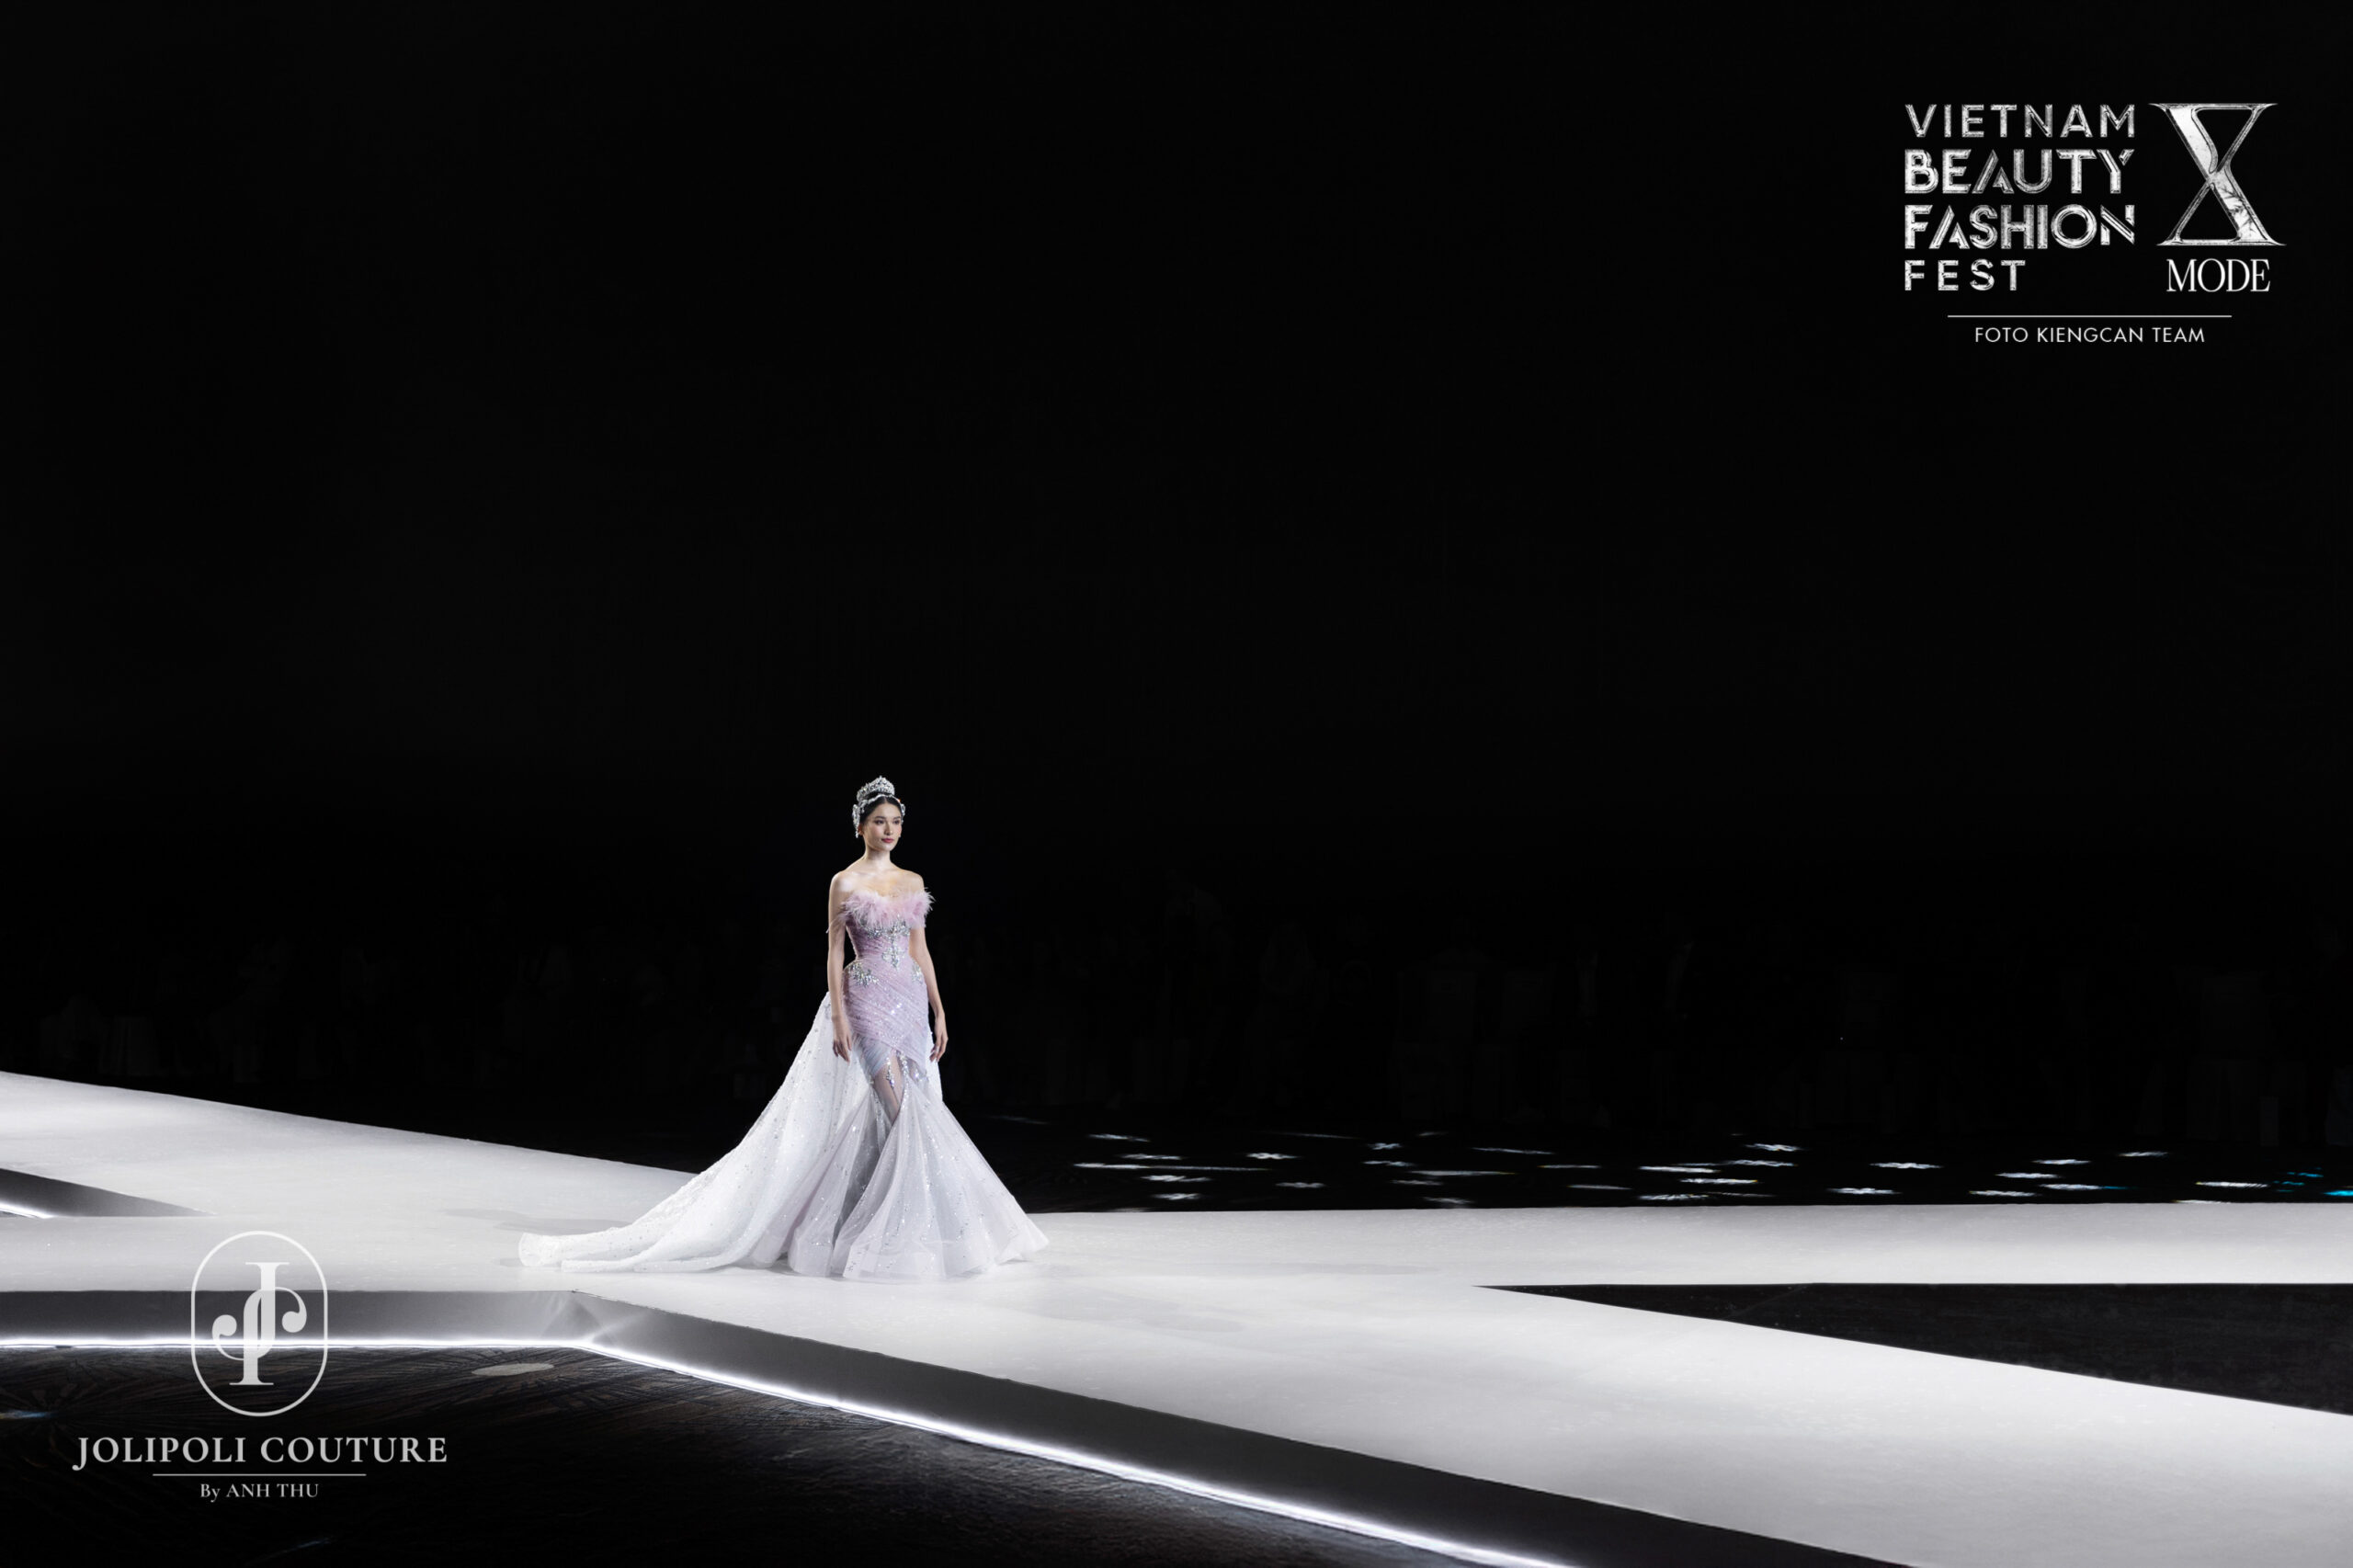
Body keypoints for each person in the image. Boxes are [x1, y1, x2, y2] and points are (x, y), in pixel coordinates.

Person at [517, 777, 1048, 1280]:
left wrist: (940, 1009)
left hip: (908, 1000)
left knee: (908, 1109)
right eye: (879, 821)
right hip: (865, 999)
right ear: (860, 826)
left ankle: (887, 1224)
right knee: (900, 1110)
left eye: (895, 822)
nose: (889, 830)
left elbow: (920, 950)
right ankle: (904, 1230)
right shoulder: (845, 881)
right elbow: (834, 951)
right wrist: (838, 1015)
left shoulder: (912, 881)